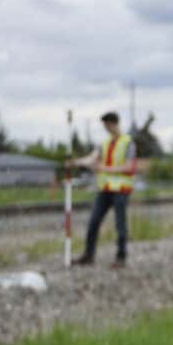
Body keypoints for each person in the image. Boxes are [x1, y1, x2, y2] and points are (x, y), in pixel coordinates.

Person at [69, 111, 137, 268]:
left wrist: (104, 168)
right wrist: (75, 162)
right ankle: (88, 255)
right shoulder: (104, 143)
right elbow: (92, 159)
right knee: (93, 221)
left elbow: (129, 166)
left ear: (114, 123)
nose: (106, 128)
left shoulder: (128, 142)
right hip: (105, 189)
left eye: (107, 125)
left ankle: (121, 257)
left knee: (120, 224)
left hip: (121, 189)